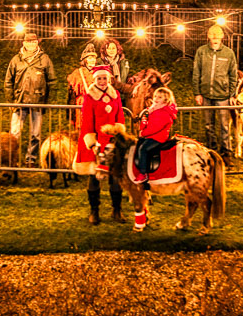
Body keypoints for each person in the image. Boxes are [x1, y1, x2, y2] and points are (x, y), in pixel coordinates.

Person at [72, 66, 125, 225]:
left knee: (115, 178)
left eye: (105, 78)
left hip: (112, 141)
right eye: (99, 79)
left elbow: (120, 117)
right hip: (96, 142)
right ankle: (94, 211)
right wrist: (93, 144)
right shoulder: (90, 97)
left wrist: (118, 135)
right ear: (95, 80)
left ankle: (117, 210)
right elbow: (87, 121)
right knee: (94, 177)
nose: (102, 82)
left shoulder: (115, 95)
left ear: (109, 79)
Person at [3, 33, 58, 166]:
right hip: (19, 102)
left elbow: (52, 81)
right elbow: (8, 82)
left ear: (37, 43)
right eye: (29, 42)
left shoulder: (45, 59)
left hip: (37, 102)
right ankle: (12, 159)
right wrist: (11, 101)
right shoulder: (16, 60)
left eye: (34, 42)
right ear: (23, 43)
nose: (31, 44)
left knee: (36, 134)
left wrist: (48, 101)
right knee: (14, 134)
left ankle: (31, 159)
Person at [192, 25, 239, 157]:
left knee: (224, 125)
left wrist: (232, 94)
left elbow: (233, 75)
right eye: (212, 35)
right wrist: (197, 92)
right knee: (208, 125)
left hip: (222, 96)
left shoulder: (228, 53)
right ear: (208, 36)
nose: (215, 37)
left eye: (218, 35)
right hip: (206, 94)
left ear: (222, 36)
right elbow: (196, 72)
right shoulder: (201, 52)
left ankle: (226, 151)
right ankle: (211, 150)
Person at [134, 86, 178, 190]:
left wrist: (143, 133)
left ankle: (143, 173)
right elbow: (144, 123)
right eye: (155, 96)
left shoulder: (164, 113)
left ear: (166, 100)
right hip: (150, 135)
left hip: (158, 137)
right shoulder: (153, 109)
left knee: (143, 149)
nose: (156, 99)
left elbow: (155, 127)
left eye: (160, 97)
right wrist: (146, 116)